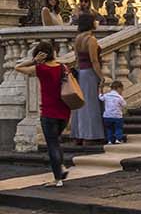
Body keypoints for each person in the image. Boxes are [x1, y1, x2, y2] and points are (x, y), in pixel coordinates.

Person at [13, 41, 73, 184]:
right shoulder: (63, 67)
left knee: (52, 144)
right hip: (64, 111)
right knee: (56, 141)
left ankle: (57, 178)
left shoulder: (41, 69)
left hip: (49, 112)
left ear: (40, 55)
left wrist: (34, 61)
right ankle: (62, 167)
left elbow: (18, 67)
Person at [68, 13, 105, 147]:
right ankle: (90, 135)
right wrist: (101, 76)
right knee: (90, 104)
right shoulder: (91, 40)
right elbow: (94, 61)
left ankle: (78, 134)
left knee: (80, 104)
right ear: (91, 23)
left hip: (80, 72)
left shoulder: (77, 39)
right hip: (89, 73)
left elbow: (77, 59)